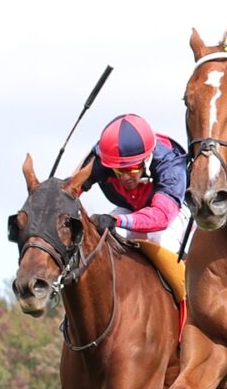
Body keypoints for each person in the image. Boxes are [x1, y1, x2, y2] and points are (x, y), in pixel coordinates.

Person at [80, 113, 189, 304]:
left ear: (147, 160)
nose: (125, 177)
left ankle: (188, 309)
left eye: (131, 169)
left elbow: (161, 217)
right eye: (118, 170)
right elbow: (70, 188)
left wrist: (117, 220)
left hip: (172, 213)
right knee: (98, 238)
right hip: (129, 207)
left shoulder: (170, 164)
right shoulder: (102, 158)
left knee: (161, 241)